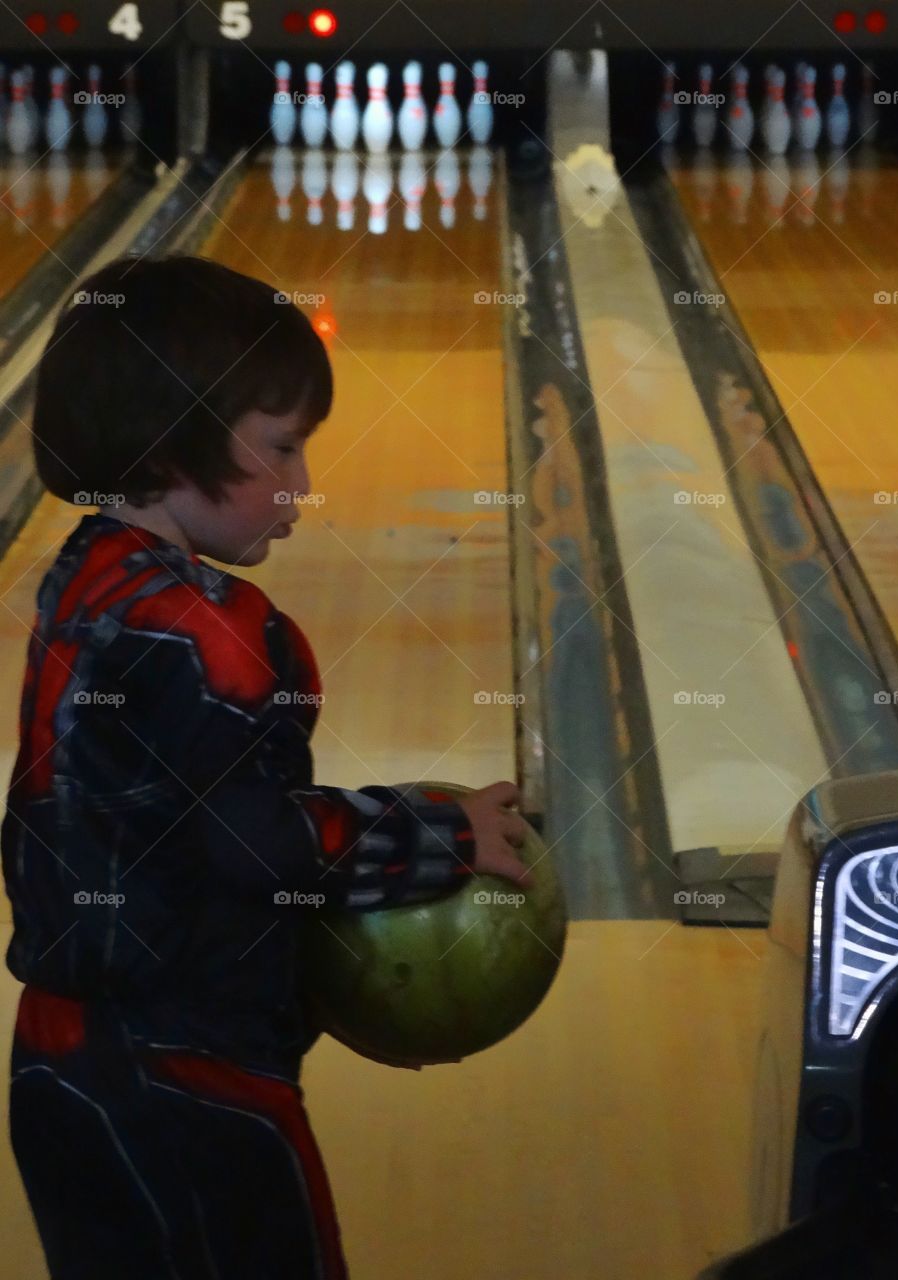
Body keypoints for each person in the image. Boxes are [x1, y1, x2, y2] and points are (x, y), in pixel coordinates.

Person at [1, 254, 533, 1279]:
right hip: (199, 1080)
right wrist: (445, 835)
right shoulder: (221, 634)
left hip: (56, 1060)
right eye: (281, 450)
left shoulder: (78, 580)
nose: (301, 488)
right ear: (170, 447)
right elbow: (258, 839)